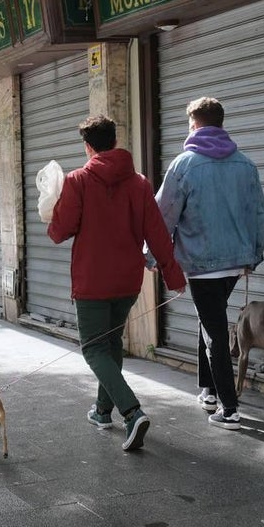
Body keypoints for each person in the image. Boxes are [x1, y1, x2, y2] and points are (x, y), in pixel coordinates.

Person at [48, 115, 186, 452]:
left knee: (94, 348)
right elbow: (157, 232)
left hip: (92, 280)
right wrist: (173, 274)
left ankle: (131, 411)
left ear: (88, 146)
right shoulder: (139, 183)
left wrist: (53, 210)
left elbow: (59, 231)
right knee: (110, 345)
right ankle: (102, 410)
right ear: (114, 140)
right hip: (127, 281)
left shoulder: (77, 180)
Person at [154, 97, 264, 431]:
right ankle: (208, 391)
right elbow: (259, 214)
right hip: (235, 263)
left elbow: (162, 215)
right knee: (211, 321)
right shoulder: (246, 165)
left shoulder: (184, 164)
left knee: (215, 331)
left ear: (194, 125)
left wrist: (152, 256)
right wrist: (254, 255)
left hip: (202, 264)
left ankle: (229, 408)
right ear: (221, 123)